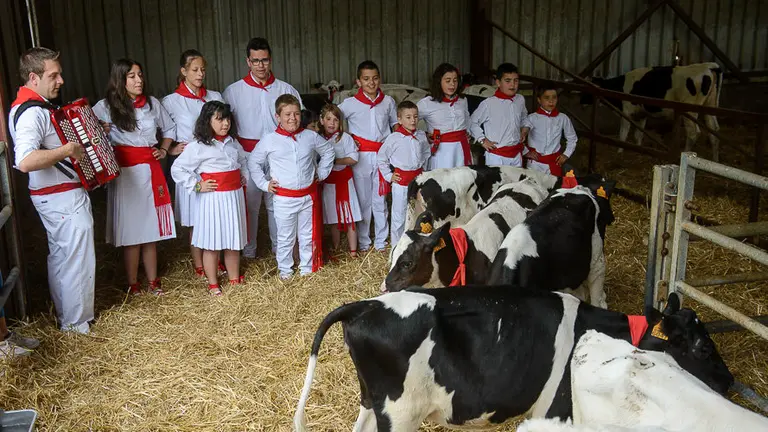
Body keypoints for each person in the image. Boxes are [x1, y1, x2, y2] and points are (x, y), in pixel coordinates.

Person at [8, 47, 95, 334]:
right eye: (53, 75)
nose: (61, 80)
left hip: (55, 195)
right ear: (34, 78)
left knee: (63, 256)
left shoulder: (32, 106)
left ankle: (68, 317)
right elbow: (25, 161)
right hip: (60, 196)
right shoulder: (32, 113)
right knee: (76, 259)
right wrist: (68, 149)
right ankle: (77, 324)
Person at [94, 59, 177, 296]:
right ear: (120, 79)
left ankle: (153, 282)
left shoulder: (152, 103)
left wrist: (163, 149)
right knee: (132, 231)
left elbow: (169, 129)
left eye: (140, 74)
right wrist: (102, 131)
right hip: (125, 174)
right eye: (132, 76)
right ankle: (133, 284)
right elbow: (89, 131)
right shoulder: (105, 106)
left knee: (150, 230)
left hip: (150, 170)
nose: (139, 80)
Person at [223, 37, 303, 258]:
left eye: (265, 60)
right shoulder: (232, 91)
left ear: (271, 60)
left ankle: (281, 251)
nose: (260, 65)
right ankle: (249, 252)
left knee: (277, 206)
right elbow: (224, 127)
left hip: (280, 158)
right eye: (255, 61)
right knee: (250, 206)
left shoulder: (286, 89)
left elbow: (298, 123)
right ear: (248, 61)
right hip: (248, 156)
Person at [248, 94, 334, 280]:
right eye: (287, 114)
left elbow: (328, 151)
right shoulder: (269, 140)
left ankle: (307, 269)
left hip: (307, 196)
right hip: (284, 198)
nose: (292, 118)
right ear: (278, 117)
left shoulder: (310, 136)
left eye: (296, 114)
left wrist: (322, 172)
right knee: (285, 237)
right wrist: (264, 184)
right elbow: (253, 162)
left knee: (306, 235)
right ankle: (285, 272)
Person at [171, 101, 248, 296]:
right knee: (212, 242)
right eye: (220, 119)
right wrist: (197, 185)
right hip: (212, 200)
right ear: (207, 121)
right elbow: (177, 169)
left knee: (233, 240)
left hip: (233, 198)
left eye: (228, 119)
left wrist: (243, 176)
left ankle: (234, 278)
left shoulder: (233, 142)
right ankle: (213, 284)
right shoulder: (198, 146)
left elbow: (243, 161)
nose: (225, 123)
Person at [162, 49, 224, 277]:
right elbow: (162, 128)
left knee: (215, 213)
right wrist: (169, 149)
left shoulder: (214, 96)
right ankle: (199, 263)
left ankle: (215, 259)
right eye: (195, 70)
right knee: (196, 217)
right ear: (183, 71)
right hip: (190, 163)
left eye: (203, 70)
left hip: (214, 163)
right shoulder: (171, 101)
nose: (200, 74)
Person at [338, 60, 397, 252]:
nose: (371, 83)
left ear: (379, 79)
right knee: (363, 200)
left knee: (380, 200)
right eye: (366, 79)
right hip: (361, 157)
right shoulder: (349, 104)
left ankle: (381, 240)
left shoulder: (388, 102)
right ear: (358, 82)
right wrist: (346, 138)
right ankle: (364, 241)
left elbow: (395, 124)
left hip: (382, 156)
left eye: (375, 78)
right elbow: (333, 120)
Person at [377, 101, 431, 246]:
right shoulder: (393, 138)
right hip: (401, 183)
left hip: (418, 181)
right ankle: (397, 247)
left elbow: (426, 153)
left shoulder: (421, 136)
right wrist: (389, 176)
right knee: (399, 216)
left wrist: (424, 171)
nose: (413, 120)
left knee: (420, 212)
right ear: (399, 119)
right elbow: (381, 158)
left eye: (415, 116)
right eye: (408, 117)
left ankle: (417, 244)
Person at [317, 104, 361, 258]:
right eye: (328, 119)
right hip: (328, 183)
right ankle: (336, 249)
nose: (332, 123)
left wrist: (335, 161)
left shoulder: (345, 138)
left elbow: (354, 158)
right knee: (333, 218)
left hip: (344, 181)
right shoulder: (317, 138)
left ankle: (353, 252)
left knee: (350, 217)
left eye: (336, 120)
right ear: (321, 120)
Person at [469, 63, 528, 167]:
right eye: (508, 81)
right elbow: (472, 122)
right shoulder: (489, 104)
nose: (512, 85)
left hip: (516, 153)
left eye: (516, 80)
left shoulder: (520, 100)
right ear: (498, 82)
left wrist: (524, 129)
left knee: (517, 183)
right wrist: (482, 140)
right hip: (497, 156)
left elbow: (524, 116)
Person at [417, 63, 471, 169]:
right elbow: (408, 122)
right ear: (439, 82)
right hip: (441, 152)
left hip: (461, 149)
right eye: (448, 81)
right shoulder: (427, 103)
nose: (452, 84)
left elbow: (467, 119)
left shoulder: (462, 100)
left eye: (455, 80)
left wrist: (468, 132)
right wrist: (423, 135)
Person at [522, 86, 578, 176]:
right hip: (535, 164)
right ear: (539, 100)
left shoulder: (563, 118)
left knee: (553, 188)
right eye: (547, 98)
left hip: (554, 163)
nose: (551, 101)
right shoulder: (531, 118)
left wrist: (566, 154)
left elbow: (572, 138)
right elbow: (519, 136)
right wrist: (526, 151)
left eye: (554, 97)